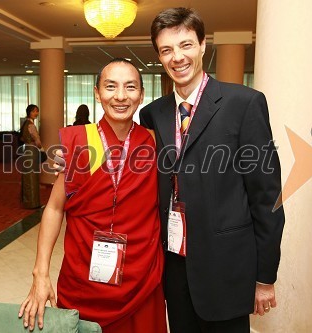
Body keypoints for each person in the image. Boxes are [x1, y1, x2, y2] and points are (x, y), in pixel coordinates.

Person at [139, 7, 285, 332]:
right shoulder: (153, 114)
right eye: (166, 50)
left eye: (186, 45)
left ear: (203, 45)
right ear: (159, 56)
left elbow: (267, 197)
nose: (177, 57)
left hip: (227, 266)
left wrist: (265, 277)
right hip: (174, 265)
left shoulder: (244, 104)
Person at [18, 58, 166, 333]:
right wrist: (40, 273)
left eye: (130, 87)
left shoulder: (156, 142)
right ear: (97, 93)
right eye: (110, 87)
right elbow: (53, 208)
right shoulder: (78, 141)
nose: (121, 96)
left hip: (141, 278)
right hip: (83, 275)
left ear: (141, 95)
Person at [20, 104, 42, 209]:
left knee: (27, 175)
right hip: (32, 150)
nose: (36, 113)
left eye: (37, 111)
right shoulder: (31, 125)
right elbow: (37, 140)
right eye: (34, 111)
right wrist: (41, 148)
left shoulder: (24, 123)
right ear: (29, 112)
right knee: (32, 176)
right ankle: (33, 203)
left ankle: (27, 201)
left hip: (26, 150)